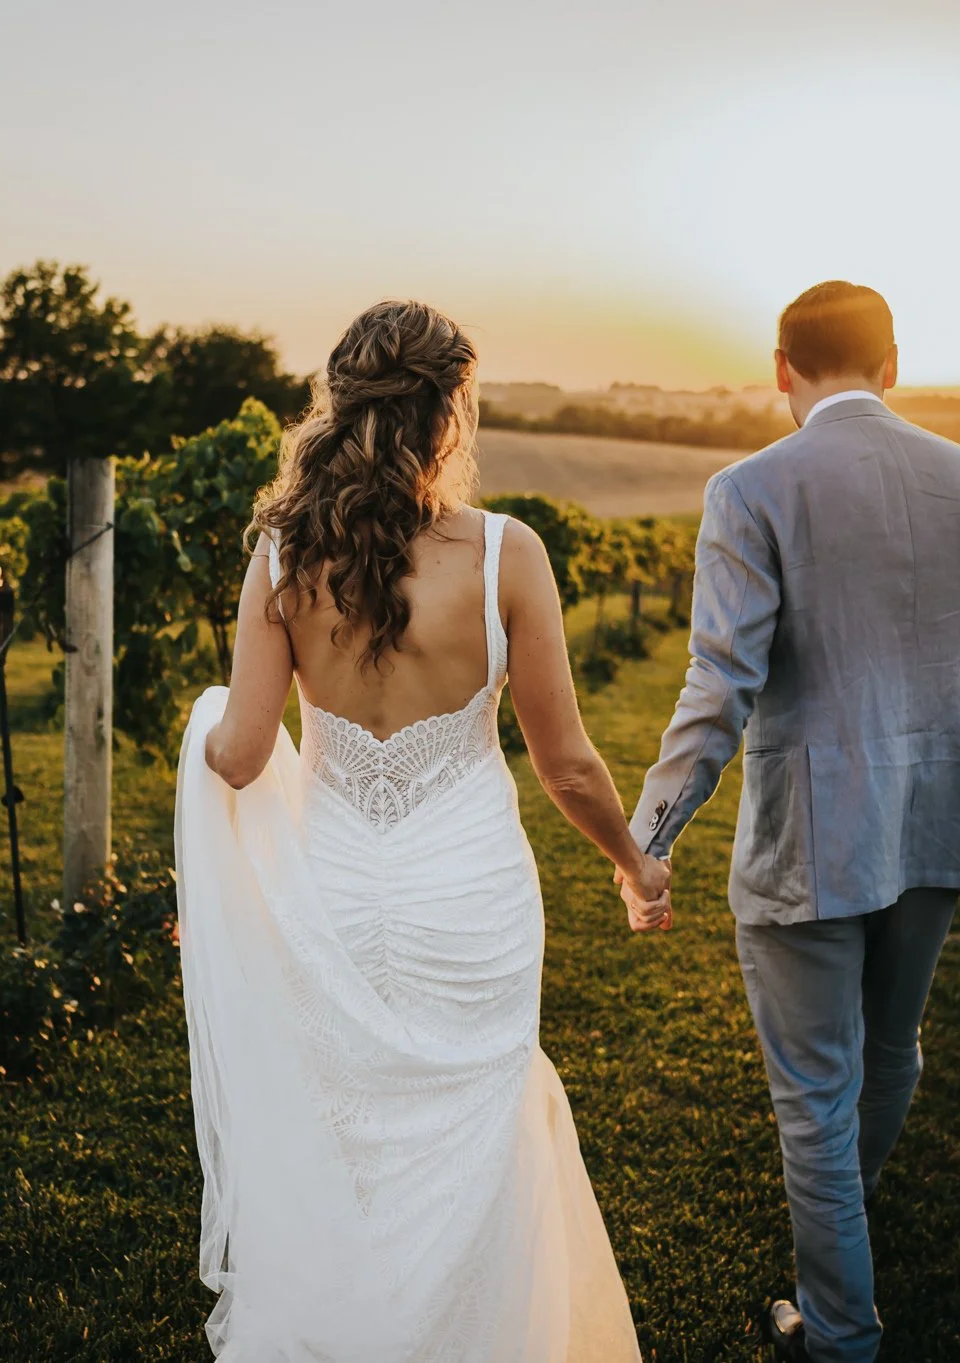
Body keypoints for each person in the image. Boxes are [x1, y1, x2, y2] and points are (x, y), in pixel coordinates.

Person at [177, 299, 664, 1360]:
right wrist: (634, 863)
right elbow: (566, 762)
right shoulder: (505, 554)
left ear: (338, 407)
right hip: (469, 898)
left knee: (348, 1135)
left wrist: (201, 729)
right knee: (479, 1141)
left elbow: (245, 751)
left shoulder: (279, 555)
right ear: (450, 412)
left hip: (333, 890)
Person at [623, 281, 960, 1361]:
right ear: (892, 362)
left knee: (814, 1095)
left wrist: (648, 839)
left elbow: (716, 685)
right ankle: (837, 1246)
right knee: (889, 1047)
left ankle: (839, 1335)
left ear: (778, 369)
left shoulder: (751, 488)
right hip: (947, 819)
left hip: (812, 839)